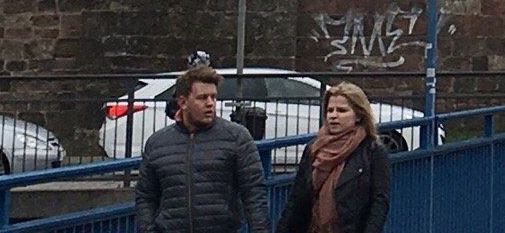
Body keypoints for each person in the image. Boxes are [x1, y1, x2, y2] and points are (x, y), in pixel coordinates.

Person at [136, 65, 270, 233]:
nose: (210, 103)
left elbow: (254, 193)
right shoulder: (157, 143)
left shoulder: (236, 137)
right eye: (202, 97)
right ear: (183, 102)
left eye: (213, 97)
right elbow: (146, 197)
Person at [276, 83, 389, 233]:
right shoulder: (314, 148)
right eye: (330, 110)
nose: (333, 116)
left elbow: (379, 202)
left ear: (359, 115)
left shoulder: (372, 150)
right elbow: (297, 198)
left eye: (342, 110)